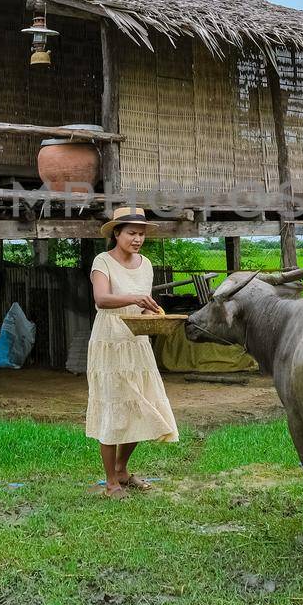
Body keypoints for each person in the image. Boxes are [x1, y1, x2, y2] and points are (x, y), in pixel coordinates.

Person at [85, 206, 179, 497]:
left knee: (142, 404)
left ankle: (122, 470)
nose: (137, 239)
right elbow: (102, 299)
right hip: (109, 341)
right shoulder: (102, 261)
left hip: (136, 341)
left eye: (141, 234)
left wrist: (152, 312)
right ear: (117, 233)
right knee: (113, 407)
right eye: (131, 233)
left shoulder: (146, 264)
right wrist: (136, 297)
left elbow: (139, 305)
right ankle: (110, 482)